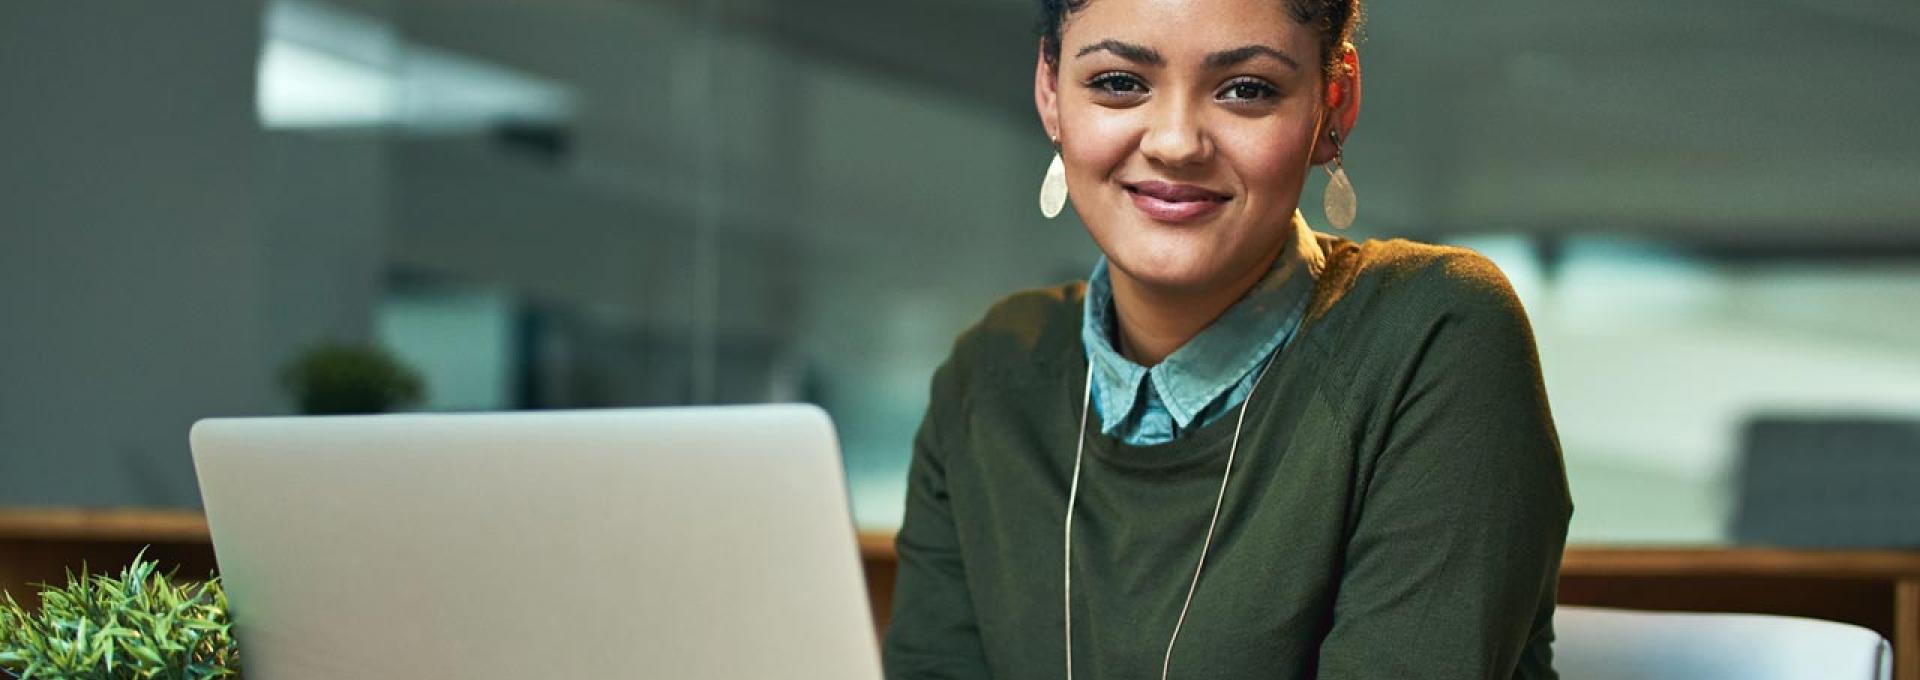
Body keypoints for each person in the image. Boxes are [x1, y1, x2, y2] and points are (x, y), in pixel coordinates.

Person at [881, 0, 1573, 677]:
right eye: (1120, 83)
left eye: (1247, 89)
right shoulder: (990, 375)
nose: (1176, 141)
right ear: (1050, 90)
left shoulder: (1436, 337)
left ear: (1334, 103)